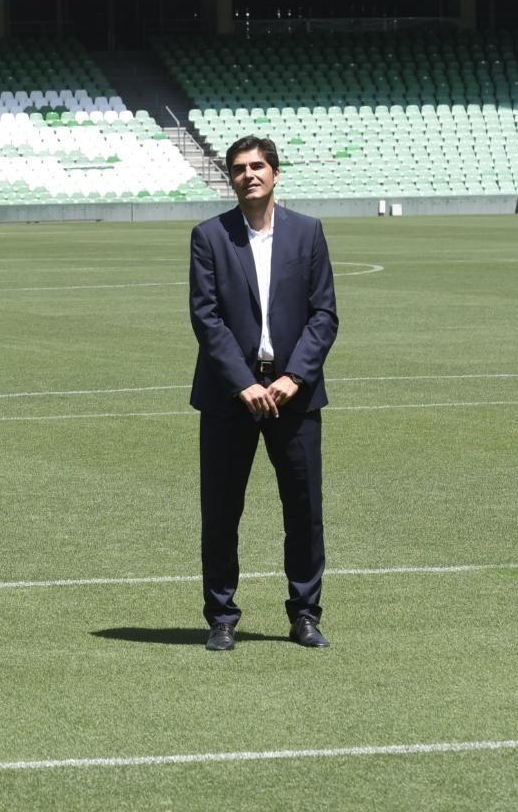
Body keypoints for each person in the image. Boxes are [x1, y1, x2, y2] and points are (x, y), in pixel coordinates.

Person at [189, 136, 338, 652]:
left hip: (294, 394)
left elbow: (324, 314)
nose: (248, 174)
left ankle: (305, 615)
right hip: (230, 396)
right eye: (238, 168)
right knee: (221, 512)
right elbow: (206, 318)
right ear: (230, 179)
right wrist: (243, 383)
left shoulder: (308, 232)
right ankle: (221, 617)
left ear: (275, 173)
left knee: (304, 510)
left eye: (257, 166)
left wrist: (295, 377)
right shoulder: (209, 236)